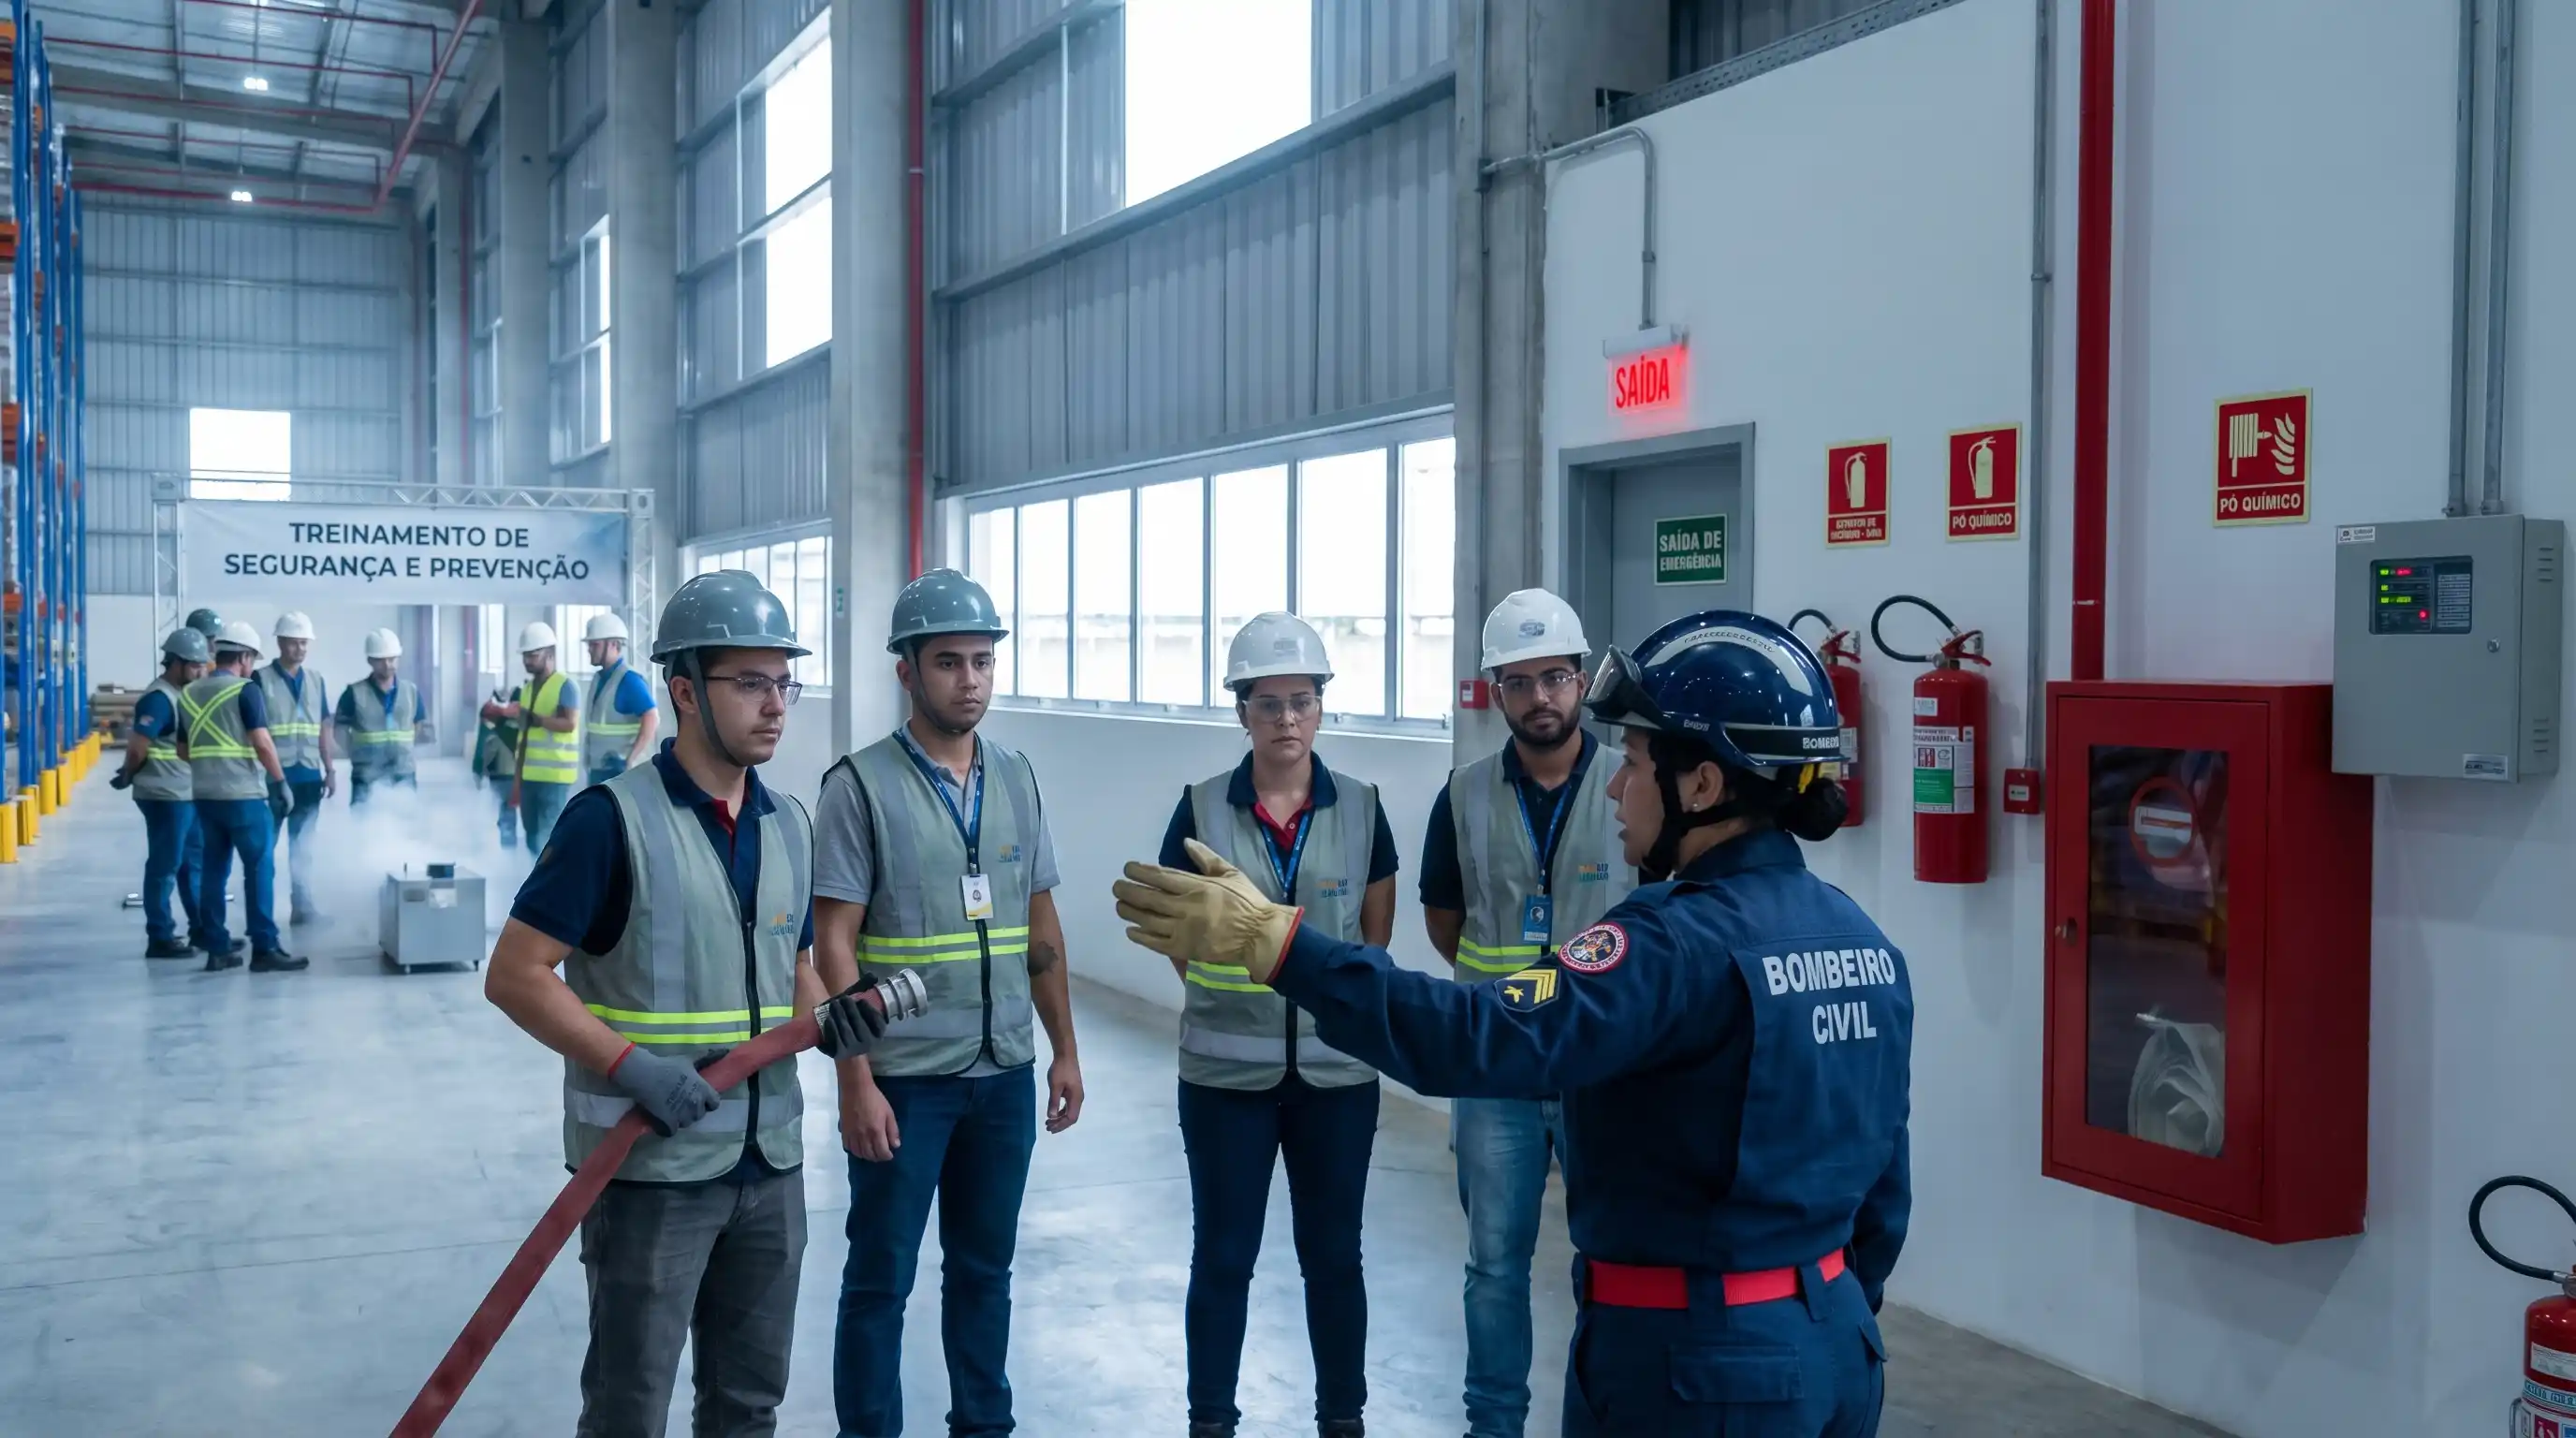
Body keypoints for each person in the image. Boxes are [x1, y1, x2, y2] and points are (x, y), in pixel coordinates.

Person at [1117, 610, 1913, 1438]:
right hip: (1835, 1348)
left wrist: (1278, 944)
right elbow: (1885, 1201)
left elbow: (1476, 1036)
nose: (1615, 784)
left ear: (1702, 786)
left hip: (1695, 1366)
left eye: (1635, 763)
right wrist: (1814, 1316)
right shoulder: (1865, 943)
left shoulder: (1670, 944)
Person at [485, 569, 897, 1436]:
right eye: (750, 682)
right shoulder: (609, 821)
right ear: (683, 691)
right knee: (631, 1409)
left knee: (749, 1406)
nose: (776, 704)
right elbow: (516, 975)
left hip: (769, 1163)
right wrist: (633, 1067)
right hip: (649, 1172)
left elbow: (789, 964)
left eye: (784, 681)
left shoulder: (788, 820)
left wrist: (836, 1027)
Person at [813, 567, 1085, 1438]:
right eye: (948, 663)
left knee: (984, 1272)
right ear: (907, 672)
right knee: (880, 1279)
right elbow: (832, 948)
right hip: (905, 1081)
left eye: (981, 661)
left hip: (1003, 1072)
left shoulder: (1018, 777)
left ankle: (984, 1426)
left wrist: (1065, 1050)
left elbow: (1041, 929)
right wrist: (856, 1082)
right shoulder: (858, 786)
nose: (969, 680)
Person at [1152, 611, 1398, 1438]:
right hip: (1225, 1083)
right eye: (1268, 703)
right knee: (1223, 1262)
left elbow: (1375, 934)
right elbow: (1179, 940)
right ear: (1241, 712)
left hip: (1337, 1080)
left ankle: (1343, 1421)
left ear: (1322, 706)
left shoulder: (1363, 808)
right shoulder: (1197, 811)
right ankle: (1211, 1422)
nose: (1287, 719)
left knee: (1335, 1262)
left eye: (1302, 700)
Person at [1419, 590, 1634, 1438]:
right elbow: (1446, 922)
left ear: (1581, 681)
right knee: (1494, 1266)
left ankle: (1603, 1416)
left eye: (1555, 678)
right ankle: (1494, 1424)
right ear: (1495, 691)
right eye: (1521, 682)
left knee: (1614, 1262)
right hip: (1497, 1064)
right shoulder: (1463, 794)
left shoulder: (1632, 780)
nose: (1540, 697)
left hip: (1602, 1063)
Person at [183, 622, 304, 974]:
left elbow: (181, 749)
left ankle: (217, 949)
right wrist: (280, 781)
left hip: (204, 796)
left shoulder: (190, 693)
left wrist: (211, 768)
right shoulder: (246, 690)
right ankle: (264, 947)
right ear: (245, 657)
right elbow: (262, 742)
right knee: (259, 869)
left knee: (212, 872)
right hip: (244, 797)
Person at [110, 627, 212, 959]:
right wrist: (128, 774)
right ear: (177, 663)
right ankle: (160, 936)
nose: (201, 671)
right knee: (165, 866)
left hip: (186, 793)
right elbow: (139, 747)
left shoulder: (183, 694)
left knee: (192, 865)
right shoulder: (159, 698)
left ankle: (202, 930)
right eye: (196, 665)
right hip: (164, 796)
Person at [255, 610, 335, 924]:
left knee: (303, 849)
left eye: (304, 643)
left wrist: (329, 769)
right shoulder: (260, 679)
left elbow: (323, 727)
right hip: (274, 779)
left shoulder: (316, 680)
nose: (300, 649)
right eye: (294, 642)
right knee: (266, 849)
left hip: (308, 776)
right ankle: (263, 912)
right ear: (280, 642)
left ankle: (302, 907)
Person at [498, 621, 581, 853]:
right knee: (532, 839)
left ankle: (551, 887)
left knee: (548, 841)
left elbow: (569, 724)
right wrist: (516, 780)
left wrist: (537, 719)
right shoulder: (526, 689)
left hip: (555, 779)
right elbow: (524, 738)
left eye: (533, 655)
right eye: (525, 656)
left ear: (550, 653)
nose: (527, 661)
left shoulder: (566, 686)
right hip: (529, 778)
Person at [335, 628, 427, 805]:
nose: (387, 664)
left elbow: (418, 724)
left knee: (406, 824)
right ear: (370, 660)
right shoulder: (354, 693)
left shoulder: (411, 691)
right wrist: (355, 752)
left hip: (403, 772)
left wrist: (402, 748)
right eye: (381, 660)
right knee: (364, 825)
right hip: (366, 775)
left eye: (392, 659)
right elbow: (339, 730)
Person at [580, 611, 661, 785]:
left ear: (614, 644)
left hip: (621, 773)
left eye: (594, 644)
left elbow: (652, 718)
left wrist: (630, 759)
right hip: (599, 770)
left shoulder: (629, 680)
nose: (589, 649)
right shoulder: (599, 679)